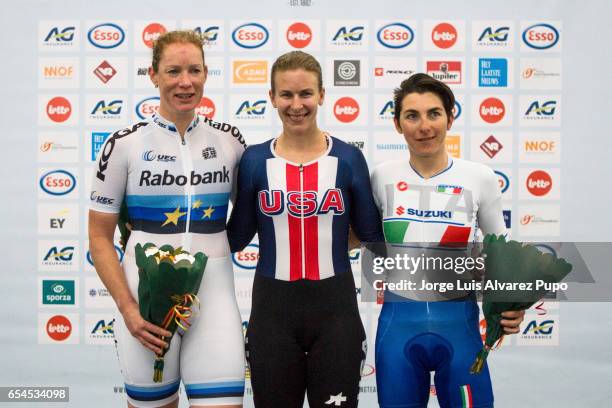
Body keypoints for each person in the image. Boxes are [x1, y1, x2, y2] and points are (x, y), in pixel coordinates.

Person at [88, 30, 246, 408]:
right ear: (153, 75)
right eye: (173, 71)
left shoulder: (230, 141)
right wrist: (128, 310)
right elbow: (98, 237)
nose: (185, 82)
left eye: (194, 70)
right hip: (144, 307)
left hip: (215, 302)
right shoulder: (124, 144)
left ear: (206, 74)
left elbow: (257, 217)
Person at [227, 51, 384, 407]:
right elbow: (235, 238)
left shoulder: (347, 158)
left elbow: (372, 235)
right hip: (272, 314)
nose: (296, 105)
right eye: (286, 95)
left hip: (336, 313)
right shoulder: (254, 161)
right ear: (271, 98)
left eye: (305, 94)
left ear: (322, 95)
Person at [370, 73, 525, 408]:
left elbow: (502, 253)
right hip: (397, 328)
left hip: (460, 327)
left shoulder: (480, 177)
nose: (424, 126)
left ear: (450, 117)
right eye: (412, 115)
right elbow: (355, 235)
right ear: (397, 124)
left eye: (434, 113)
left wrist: (511, 304)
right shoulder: (381, 176)